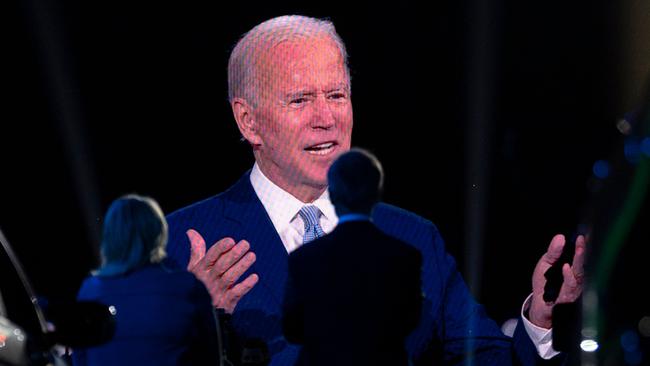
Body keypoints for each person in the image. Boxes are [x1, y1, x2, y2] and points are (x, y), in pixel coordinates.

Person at [165, 15, 586, 365]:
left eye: (336, 94)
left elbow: (485, 358)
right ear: (248, 121)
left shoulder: (414, 238)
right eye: (299, 100)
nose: (326, 118)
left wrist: (539, 321)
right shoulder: (179, 246)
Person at [282, 148, 423, 366]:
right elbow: (410, 321)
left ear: (333, 196)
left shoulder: (304, 259)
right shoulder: (405, 257)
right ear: (377, 193)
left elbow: (292, 328)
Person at [73, 194, 220, 366]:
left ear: (110, 236)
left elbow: (80, 359)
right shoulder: (186, 287)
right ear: (158, 232)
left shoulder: (90, 289)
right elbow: (211, 356)